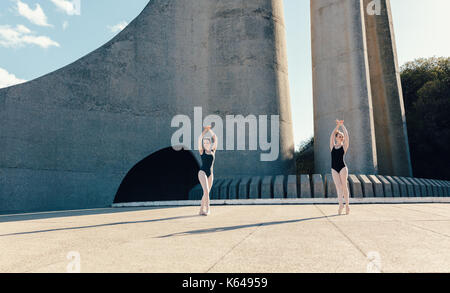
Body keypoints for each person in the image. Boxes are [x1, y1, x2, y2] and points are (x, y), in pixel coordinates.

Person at [330, 120, 350, 215]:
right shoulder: (332, 147)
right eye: (340, 136)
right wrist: (337, 126)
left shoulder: (344, 146)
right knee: (338, 188)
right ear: (336, 138)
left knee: (344, 186)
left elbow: (347, 136)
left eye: (342, 137)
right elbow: (332, 135)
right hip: (334, 168)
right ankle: (341, 205)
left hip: (342, 168)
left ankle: (347, 205)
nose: (341, 138)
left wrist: (342, 125)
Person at [197, 126, 217, 216]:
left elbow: (215, 138)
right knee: (206, 190)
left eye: (206, 142)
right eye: (204, 143)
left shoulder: (213, 150)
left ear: (210, 143)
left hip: (210, 174)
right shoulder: (202, 151)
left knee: (207, 192)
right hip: (202, 172)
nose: (205, 144)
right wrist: (205, 130)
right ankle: (208, 209)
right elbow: (199, 138)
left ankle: (201, 210)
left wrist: (210, 130)